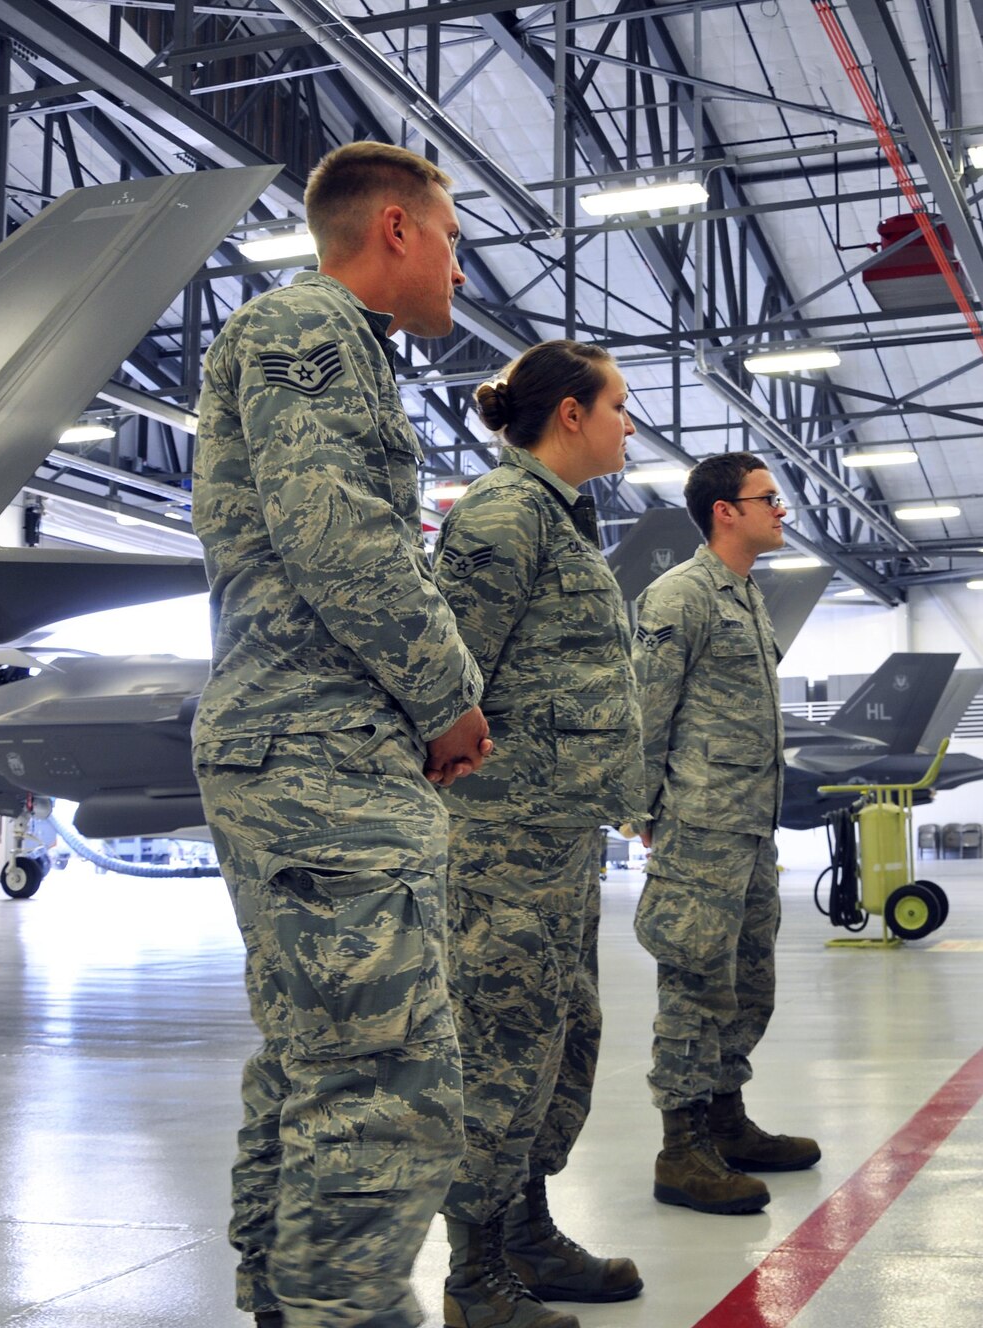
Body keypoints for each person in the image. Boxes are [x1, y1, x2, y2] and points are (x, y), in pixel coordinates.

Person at [192, 141, 493, 1328]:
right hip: (319, 751)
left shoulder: (320, 345)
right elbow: (339, 539)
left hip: (306, 744)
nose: (461, 271)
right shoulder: (305, 336)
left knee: (317, 1064)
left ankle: (289, 1302)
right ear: (397, 230)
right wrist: (446, 693)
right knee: (386, 1082)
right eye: (456, 240)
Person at [430, 341, 644, 1328]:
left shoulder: (561, 520)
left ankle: (524, 1228)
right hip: (499, 836)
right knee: (503, 1044)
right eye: (619, 405)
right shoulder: (502, 518)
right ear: (569, 414)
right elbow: (444, 681)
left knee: (562, 1041)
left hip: (557, 832)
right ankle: (473, 1274)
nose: (628, 423)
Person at [630, 452, 818, 1216]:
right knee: (693, 987)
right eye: (767, 498)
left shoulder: (747, 597)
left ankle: (725, 1121)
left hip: (749, 828)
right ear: (724, 512)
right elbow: (649, 710)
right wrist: (642, 810)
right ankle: (682, 1148)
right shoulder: (681, 596)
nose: (780, 510)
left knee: (746, 987)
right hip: (701, 825)